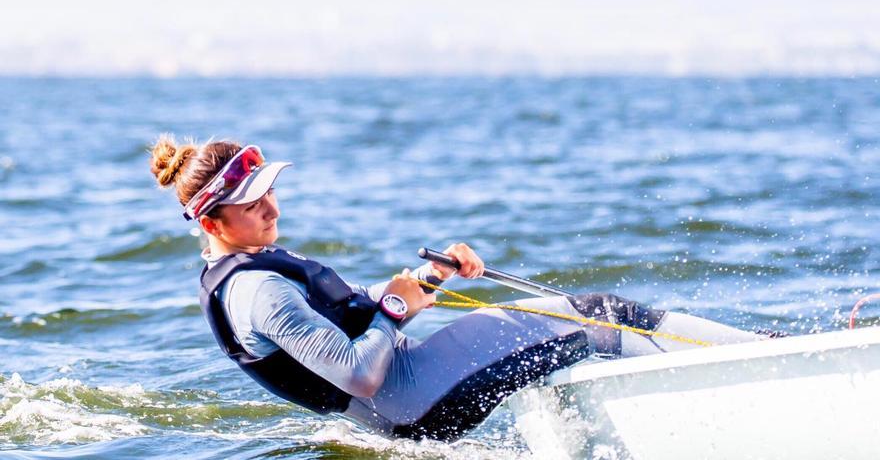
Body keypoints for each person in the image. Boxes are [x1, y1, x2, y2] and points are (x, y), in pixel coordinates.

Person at [149, 136, 765, 441]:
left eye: (268, 192)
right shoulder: (258, 293)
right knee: (600, 321)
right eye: (251, 204)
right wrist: (395, 310)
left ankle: (752, 355)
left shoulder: (254, 265)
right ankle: (759, 373)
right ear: (211, 222)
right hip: (412, 401)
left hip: (412, 391)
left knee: (601, 316)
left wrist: (428, 277)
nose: (270, 209)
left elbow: (353, 313)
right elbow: (358, 373)